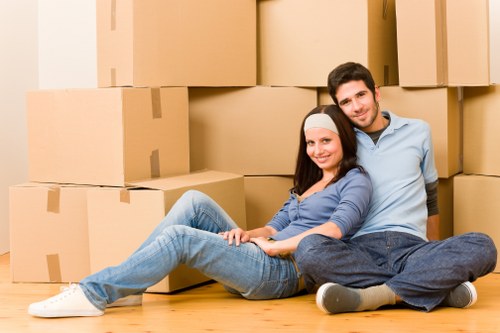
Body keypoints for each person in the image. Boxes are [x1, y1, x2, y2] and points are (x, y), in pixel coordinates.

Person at [28, 104, 372, 318]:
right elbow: (276, 224)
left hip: (284, 273)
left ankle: (95, 293)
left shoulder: (354, 180)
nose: (317, 150)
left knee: (181, 238)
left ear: (343, 138)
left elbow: (337, 230)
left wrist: (275, 247)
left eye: (325, 141)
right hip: (265, 254)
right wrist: (249, 235)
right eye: (311, 143)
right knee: (194, 200)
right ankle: (127, 288)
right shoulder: (308, 182)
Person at [294, 62, 497, 315]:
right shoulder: (338, 144)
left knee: (483, 246)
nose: (356, 107)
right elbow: (316, 195)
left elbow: (430, 196)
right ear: (339, 108)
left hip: (412, 247)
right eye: (345, 102)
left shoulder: (418, 131)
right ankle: (429, 289)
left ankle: (372, 295)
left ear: (376, 93)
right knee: (308, 249)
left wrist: (432, 252)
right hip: (359, 250)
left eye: (361, 95)